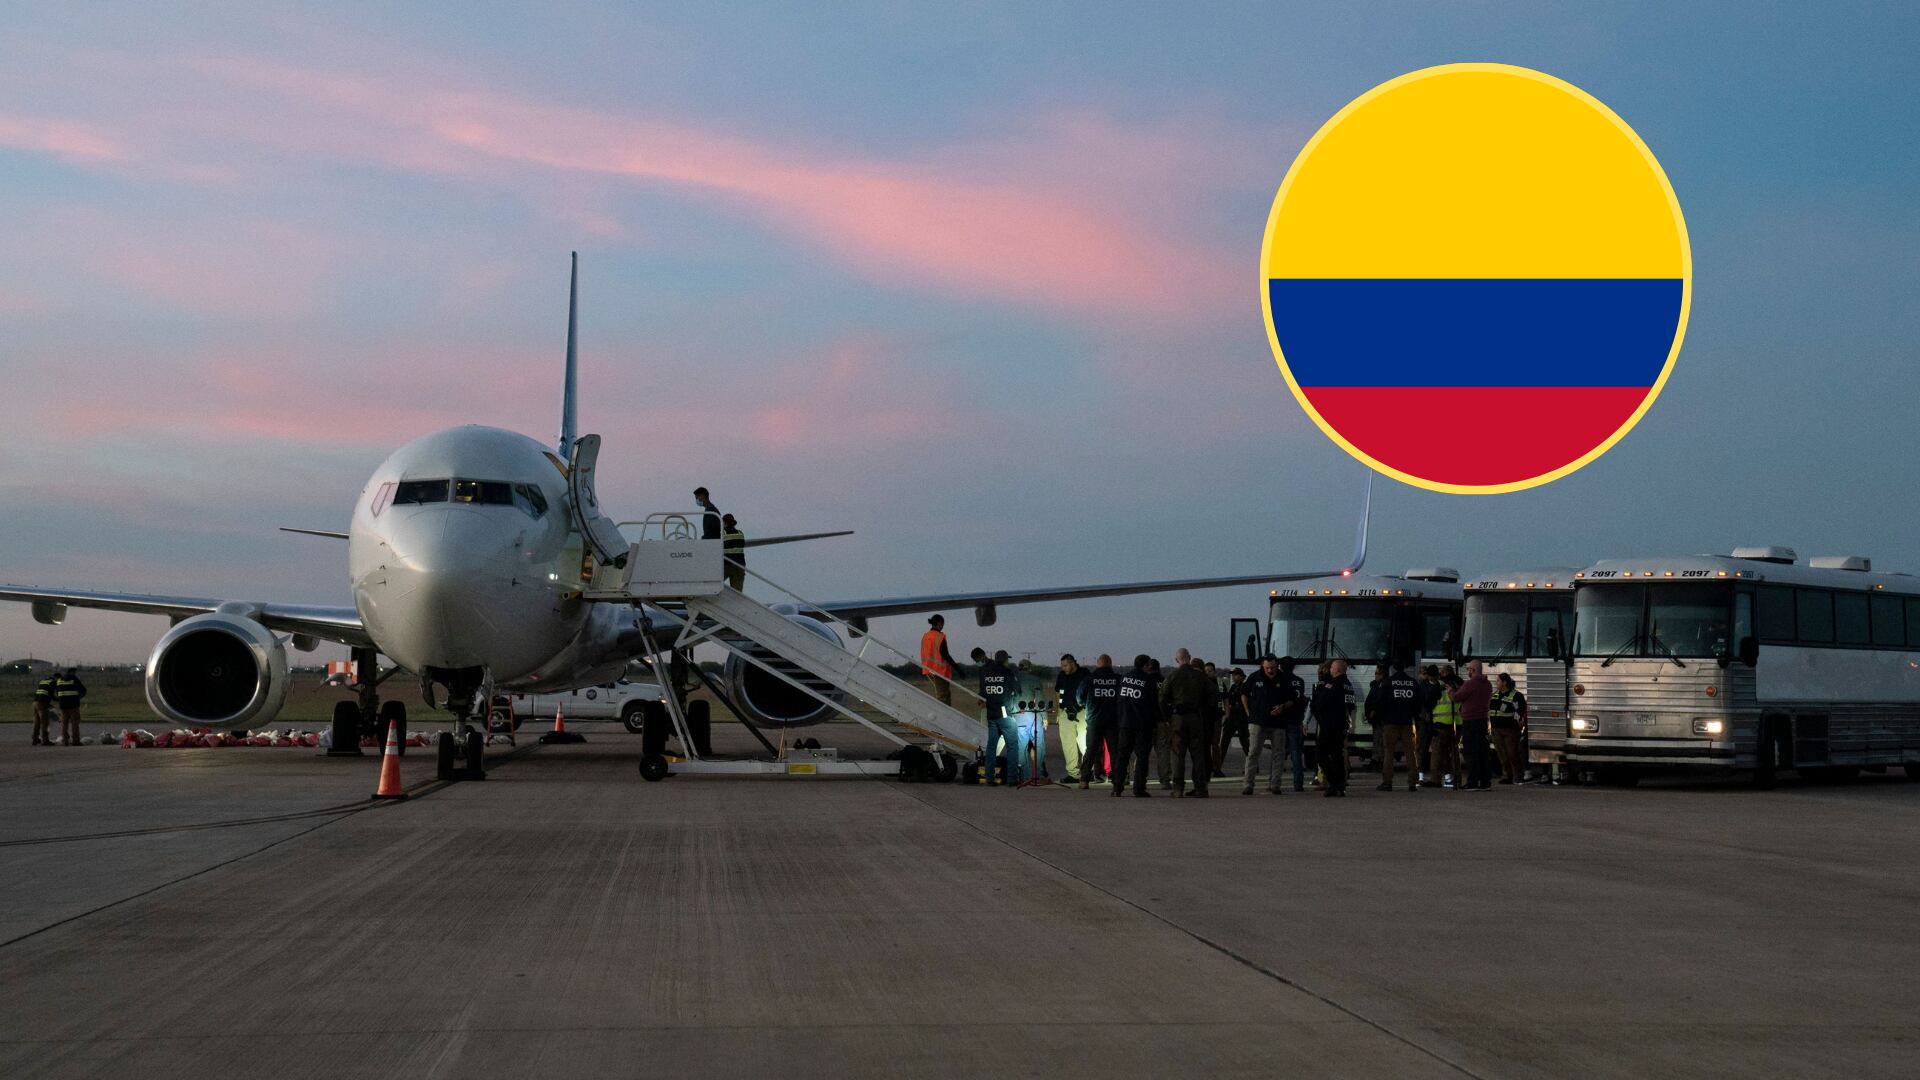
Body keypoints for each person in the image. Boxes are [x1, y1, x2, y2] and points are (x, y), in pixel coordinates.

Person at [1160, 649, 1217, 797]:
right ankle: (1200, 787)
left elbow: (1162, 698)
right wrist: (1203, 709)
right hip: (1195, 717)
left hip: (1178, 718)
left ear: (1177, 660)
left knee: (1178, 754)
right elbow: (1213, 694)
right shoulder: (1200, 676)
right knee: (1197, 753)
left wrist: (1167, 717)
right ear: (1189, 658)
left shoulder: (1172, 676)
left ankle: (1178, 788)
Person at [1239, 656, 1296, 794]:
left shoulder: (1283, 679)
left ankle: (1275, 784)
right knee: (1253, 753)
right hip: (1258, 721)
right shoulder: (1255, 677)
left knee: (1279, 754)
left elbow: (1292, 699)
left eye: (1273, 667)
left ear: (1277, 666)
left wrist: (1282, 707)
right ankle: (1248, 785)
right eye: (1267, 668)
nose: (1270, 670)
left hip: (1278, 722)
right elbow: (1243, 693)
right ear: (1262, 666)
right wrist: (1248, 712)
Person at [1111, 654, 1158, 797]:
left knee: (1122, 756)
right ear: (1146, 665)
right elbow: (1153, 703)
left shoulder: (1124, 678)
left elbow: (1118, 699)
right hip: (1142, 724)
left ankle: (1117, 787)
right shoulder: (1148, 680)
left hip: (1125, 723)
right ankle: (1139, 788)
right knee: (1142, 757)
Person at [1374, 657, 1422, 791]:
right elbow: (1419, 703)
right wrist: (1414, 715)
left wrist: (1383, 717)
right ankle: (1412, 782)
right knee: (1410, 752)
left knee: (1389, 752)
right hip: (1407, 722)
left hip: (1391, 722)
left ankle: (1387, 782)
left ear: (1393, 668)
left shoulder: (1388, 683)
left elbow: (1380, 702)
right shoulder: (1412, 683)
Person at [1311, 659, 1354, 796]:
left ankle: (1333, 782)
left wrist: (1319, 714)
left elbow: (1321, 702)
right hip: (1342, 724)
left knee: (1321, 754)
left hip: (1330, 725)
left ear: (1338, 670)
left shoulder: (1333, 683)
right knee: (1337, 756)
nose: (1330, 670)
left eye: (1332, 668)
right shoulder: (1348, 685)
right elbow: (1350, 706)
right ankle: (1340, 785)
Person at [1450, 660, 1494, 792]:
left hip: (1470, 721)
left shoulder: (1471, 684)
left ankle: (1472, 782)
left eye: (1469, 669)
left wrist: (1451, 691)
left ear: (1473, 670)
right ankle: (1485, 782)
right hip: (1482, 721)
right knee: (1483, 751)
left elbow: (1457, 697)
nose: (1468, 671)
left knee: (1471, 752)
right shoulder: (1487, 684)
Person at [977, 650, 1019, 786]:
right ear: (1006, 660)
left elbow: (982, 692)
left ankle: (989, 778)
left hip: (991, 713)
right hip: (1005, 713)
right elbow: (1017, 691)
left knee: (991, 747)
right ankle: (1012, 779)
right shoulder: (1007, 672)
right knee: (1012, 746)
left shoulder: (985, 672)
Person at [1081, 655, 1120, 789]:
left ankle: (1084, 780)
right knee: (1114, 751)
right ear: (1111, 664)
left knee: (1091, 750)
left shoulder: (1089, 679)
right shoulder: (1117, 680)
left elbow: (1079, 696)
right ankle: (1117, 779)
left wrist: (1085, 705)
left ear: (1097, 664)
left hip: (1094, 720)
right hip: (1113, 721)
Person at [1054, 654, 1090, 784]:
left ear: (1073, 663)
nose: (1063, 668)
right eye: (1062, 666)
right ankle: (1073, 773)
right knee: (1068, 745)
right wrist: (1060, 710)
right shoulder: (1062, 675)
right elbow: (1058, 692)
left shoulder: (1085, 674)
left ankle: (1087, 771)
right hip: (1065, 713)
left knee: (1085, 743)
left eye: (1065, 665)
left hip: (1082, 712)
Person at [1428, 667, 1463, 788]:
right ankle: (1457, 779)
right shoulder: (1459, 686)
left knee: (1437, 753)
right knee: (1454, 754)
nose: (1440, 675)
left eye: (1442, 673)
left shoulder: (1440, 687)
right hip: (1455, 723)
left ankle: (1435, 779)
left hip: (1440, 724)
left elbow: (1430, 703)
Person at [1490, 673, 1527, 784]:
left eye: (1498, 681)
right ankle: (1507, 776)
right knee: (1502, 754)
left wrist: (1519, 723)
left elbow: (1519, 711)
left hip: (1510, 730)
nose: (1496, 683)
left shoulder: (1516, 696)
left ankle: (1518, 775)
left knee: (1512, 753)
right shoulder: (1495, 695)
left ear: (1505, 682)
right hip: (1496, 730)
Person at [919, 615, 962, 706]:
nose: (943, 626)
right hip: (939, 670)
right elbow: (945, 655)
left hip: (928, 669)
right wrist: (958, 669)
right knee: (943, 697)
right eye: (943, 624)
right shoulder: (939, 636)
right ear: (939, 623)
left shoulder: (926, 636)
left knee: (942, 694)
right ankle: (945, 718)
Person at [1214, 668, 1249, 777]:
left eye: (1235, 675)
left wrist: (1234, 707)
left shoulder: (1245, 687)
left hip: (1241, 718)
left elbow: (1243, 704)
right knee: (1224, 742)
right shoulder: (1233, 687)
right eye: (1233, 675)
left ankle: (1252, 765)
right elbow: (1229, 700)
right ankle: (1217, 767)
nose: (1233, 677)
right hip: (1232, 718)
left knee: (1245, 743)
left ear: (1241, 676)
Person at [1146, 657, 1174, 789]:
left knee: (1143, 751)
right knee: (1163, 751)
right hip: (1163, 721)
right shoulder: (1165, 681)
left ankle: (1140, 777)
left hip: (1147, 721)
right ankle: (1165, 780)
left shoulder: (1145, 681)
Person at [53, 667, 87, 746]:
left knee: (64, 723)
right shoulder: (73, 679)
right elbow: (83, 690)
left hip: (63, 705)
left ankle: (65, 741)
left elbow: (57, 693)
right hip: (73, 704)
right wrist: (79, 697)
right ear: (72, 672)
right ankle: (75, 741)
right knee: (75, 723)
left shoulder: (59, 680)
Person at [720, 514, 746, 591]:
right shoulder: (740, 533)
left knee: (713, 583)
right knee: (737, 591)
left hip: (727, 565)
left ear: (724, 523)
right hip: (740, 565)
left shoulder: (722, 533)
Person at [31, 670, 55, 746]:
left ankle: (35, 739)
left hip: (35, 703)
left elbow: (43, 693)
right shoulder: (53, 682)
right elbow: (51, 694)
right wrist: (59, 699)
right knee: (44, 722)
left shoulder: (43, 681)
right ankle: (45, 740)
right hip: (42, 704)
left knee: (36, 722)